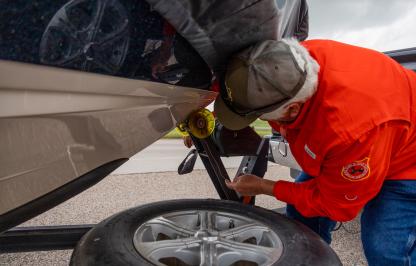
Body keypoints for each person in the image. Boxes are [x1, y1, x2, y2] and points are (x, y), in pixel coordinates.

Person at [213, 38, 416, 266]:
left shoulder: (348, 131)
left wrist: (263, 186)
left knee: (386, 250)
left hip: (407, 161)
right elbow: (243, 85)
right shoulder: (286, 63)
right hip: (367, 139)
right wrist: (203, 120)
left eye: (258, 116)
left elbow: (336, 206)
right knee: (301, 212)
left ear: (292, 109)